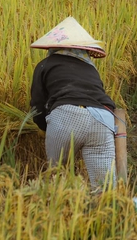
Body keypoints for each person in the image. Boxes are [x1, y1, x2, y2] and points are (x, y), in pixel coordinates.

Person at [30, 16, 116, 188]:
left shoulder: (45, 65)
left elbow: (37, 107)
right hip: (103, 119)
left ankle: (59, 210)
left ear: (54, 47)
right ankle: (108, 213)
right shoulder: (91, 68)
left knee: (56, 178)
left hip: (67, 115)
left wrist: (46, 128)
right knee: (104, 189)